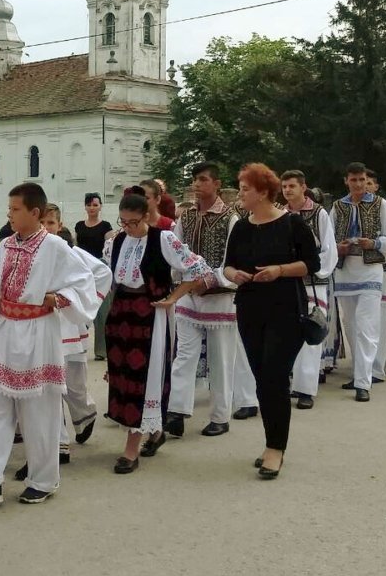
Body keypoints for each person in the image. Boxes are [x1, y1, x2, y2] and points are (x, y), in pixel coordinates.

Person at [0, 183, 96, 505]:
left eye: (15, 209)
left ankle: (44, 478)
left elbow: (85, 282)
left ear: (35, 213)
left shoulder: (55, 247)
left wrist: (57, 298)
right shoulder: (6, 246)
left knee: (40, 411)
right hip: (5, 332)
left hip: (37, 334)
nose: (9, 214)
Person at [102, 193, 214, 473]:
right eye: (123, 222)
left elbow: (197, 269)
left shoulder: (163, 239)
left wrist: (173, 297)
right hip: (121, 312)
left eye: (133, 222)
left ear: (147, 216)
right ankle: (154, 431)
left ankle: (131, 449)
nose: (128, 227)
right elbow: (105, 275)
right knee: (123, 377)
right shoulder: (115, 241)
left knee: (144, 376)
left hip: (149, 312)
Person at [223, 163, 321, 480]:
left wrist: (279, 270)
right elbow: (227, 266)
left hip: (285, 309)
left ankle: (275, 448)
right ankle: (271, 442)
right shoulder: (241, 227)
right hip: (250, 308)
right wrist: (232, 275)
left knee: (275, 377)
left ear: (263, 192)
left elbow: (312, 264)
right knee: (262, 376)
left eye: (245, 188)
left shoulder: (292, 224)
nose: (240, 193)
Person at [167, 162, 240, 438]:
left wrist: (209, 280)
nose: (198, 185)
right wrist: (184, 280)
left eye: (203, 180)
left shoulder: (232, 218)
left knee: (221, 359)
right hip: (189, 295)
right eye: (195, 180)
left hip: (220, 297)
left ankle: (220, 416)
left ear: (217, 184)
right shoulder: (185, 217)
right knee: (184, 354)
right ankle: (177, 412)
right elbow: (175, 252)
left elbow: (234, 261)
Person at [41, 204, 111, 463]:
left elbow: (103, 272)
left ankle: (84, 415)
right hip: (45, 328)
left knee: (74, 385)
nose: (46, 228)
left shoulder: (72, 252)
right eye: (43, 223)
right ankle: (59, 444)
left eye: (51, 223)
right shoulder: (35, 255)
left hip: (70, 325)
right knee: (52, 386)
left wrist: (84, 305)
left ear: (60, 226)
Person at [329, 162, 386, 402]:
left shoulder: (380, 204)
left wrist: (375, 244)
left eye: (362, 179)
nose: (359, 184)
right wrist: (337, 248)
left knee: (367, 325)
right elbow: (327, 240)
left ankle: (364, 381)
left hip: (370, 270)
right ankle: (359, 373)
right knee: (351, 324)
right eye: (354, 180)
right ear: (346, 181)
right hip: (345, 272)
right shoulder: (337, 206)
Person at [282, 171, 338, 410]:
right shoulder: (280, 213)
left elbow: (329, 249)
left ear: (303, 187)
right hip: (286, 282)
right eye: (284, 186)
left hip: (313, 282)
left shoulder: (319, 213)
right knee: (286, 333)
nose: (287, 190)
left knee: (310, 333)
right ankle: (286, 382)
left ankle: (306, 389)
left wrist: (311, 268)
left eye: (292, 185)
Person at [75, 193, 114, 361]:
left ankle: (101, 350)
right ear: (85, 207)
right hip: (81, 270)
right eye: (89, 204)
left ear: (100, 206)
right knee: (79, 308)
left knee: (102, 312)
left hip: (99, 270)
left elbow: (110, 249)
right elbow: (76, 246)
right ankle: (77, 344)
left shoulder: (106, 226)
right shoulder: (79, 226)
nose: (92, 208)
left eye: (95, 205)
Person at [366, 171, 386, 381]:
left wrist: (376, 244)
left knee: (379, 322)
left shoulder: (382, 206)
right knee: (361, 325)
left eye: (368, 183)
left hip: (380, 273)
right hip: (354, 273)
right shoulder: (344, 206)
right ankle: (362, 368)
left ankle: (377, 368)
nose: (364, 186)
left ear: (376, 186)